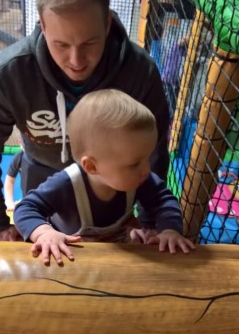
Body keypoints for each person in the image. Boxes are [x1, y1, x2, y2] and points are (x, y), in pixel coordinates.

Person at [0, 0, 170, 242]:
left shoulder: (140, 72)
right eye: (61, 45)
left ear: (107, 23)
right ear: (42, 25)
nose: (76, 61)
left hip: (115, 187)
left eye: (90, 43)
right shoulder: (9, 74)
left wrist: (150, 221)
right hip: (40, 176)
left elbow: (155, 149)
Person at [14, 90, 194, 265]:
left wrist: (169, 230)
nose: (146, 169)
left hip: (117, 251)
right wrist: (44, 233)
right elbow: (25, 208)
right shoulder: (67, 184)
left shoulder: (140, 179)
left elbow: (163, 201)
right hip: (71, 256)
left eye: (147, 157)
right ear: (92, 166)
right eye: (134, 163)